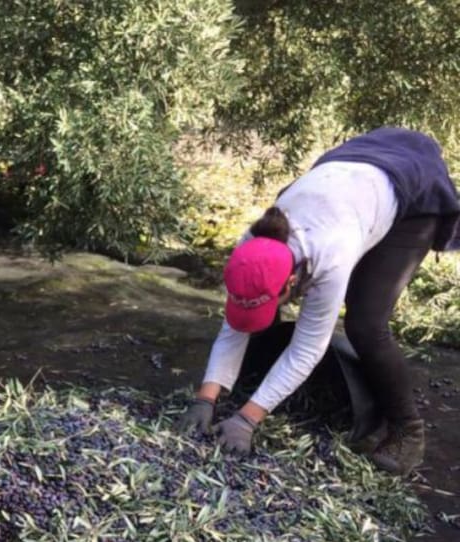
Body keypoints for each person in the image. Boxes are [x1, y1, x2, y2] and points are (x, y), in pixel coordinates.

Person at [178, 127, 460, 475]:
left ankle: (408, 430)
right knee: (262, 320)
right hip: (345, 179)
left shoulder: (332, 252)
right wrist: (205, 398)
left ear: (293, 282)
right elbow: (235, 325)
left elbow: (308, 347)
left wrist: (247, 420)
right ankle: (261, 384)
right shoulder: (251, 245)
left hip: (408, 193)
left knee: (366, 325)